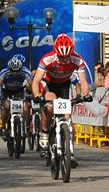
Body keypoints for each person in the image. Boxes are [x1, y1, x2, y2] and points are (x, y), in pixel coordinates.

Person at [31, 33, 91, 166]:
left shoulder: (78, 60)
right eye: (61, 57)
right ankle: (45, 134)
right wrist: (37, 95)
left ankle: (71, 152)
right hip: (49, 84)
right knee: (50, 106)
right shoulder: (47, 59)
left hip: (64, 85)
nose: (64, 60)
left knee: (68, 118)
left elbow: (83, 81)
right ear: (56, 52)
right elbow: (36, 81)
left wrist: (85, 95)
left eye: (67, 57)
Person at [0, 55, 33, 141]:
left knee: (26, 105)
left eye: (17, 71)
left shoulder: (25, 71)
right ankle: (3, 127)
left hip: (19, 90)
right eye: (13, 71)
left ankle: (25, 124)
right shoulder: (4, 72)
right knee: (6, 106)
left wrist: (34, 95)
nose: (15, 73)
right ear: (9, 68)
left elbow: (32, 84)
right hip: (6, 90)